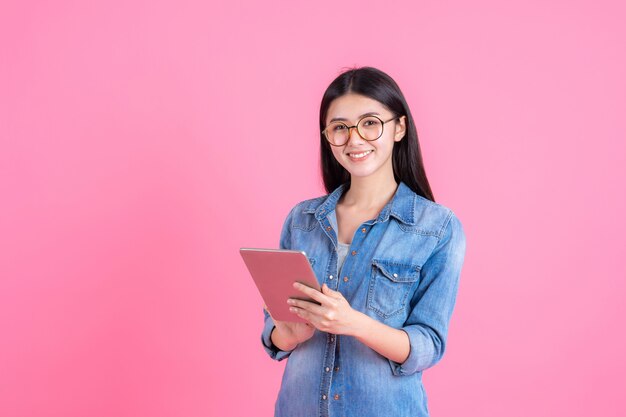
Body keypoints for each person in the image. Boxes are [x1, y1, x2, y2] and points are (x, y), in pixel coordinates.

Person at [260, 66, 467, 417]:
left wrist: (353, 323)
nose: (354, 139)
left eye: (370, 122)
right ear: (327, 136)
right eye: (340, 128)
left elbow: (428, 345)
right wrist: (287, 334)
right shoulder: (302, 220)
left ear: (399, 127)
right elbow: (273, 333)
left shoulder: (437, 228)